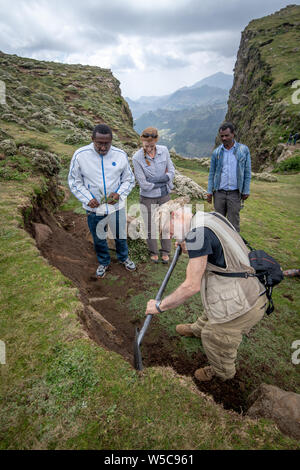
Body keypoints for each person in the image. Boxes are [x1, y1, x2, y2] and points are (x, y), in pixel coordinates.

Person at [145, 205, 267, 382]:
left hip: (246, 302)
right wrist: (187, 241)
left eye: (167, 231)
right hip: (245, 285)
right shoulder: (206, 217)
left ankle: (222, 372)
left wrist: (159, 306)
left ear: (174, 216)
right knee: (212, 307)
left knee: (214, 336)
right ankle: (196, 329)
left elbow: (191, 286)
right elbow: (210, 248)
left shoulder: (197, 235)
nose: (169, 237)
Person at [68, 124, 136, 278]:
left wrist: (118, 194)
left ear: (111, 141)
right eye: (99, 143)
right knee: (99, 237)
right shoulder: (80, 155)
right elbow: (74, 181)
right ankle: (104, 262)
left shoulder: (120, 155)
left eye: (107, 143)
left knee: (120, 235)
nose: (103, 147)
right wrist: (88, 198)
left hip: (116, 207)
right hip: (94, 208)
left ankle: (124, 258)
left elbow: (129, 180)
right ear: (92, 139)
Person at [132, 127, 175, 264]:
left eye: (152, 145)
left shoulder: (164, 151)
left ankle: (166, 251)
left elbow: (172, 172)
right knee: (150, 224)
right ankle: (153, 251)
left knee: (165, 224)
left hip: (164, 194)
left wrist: (155, 180)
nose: (149, 148)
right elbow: (143, 184)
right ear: (142, 141)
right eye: (146, 145)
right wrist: (163, 179)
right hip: (147, 197)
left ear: (156, 141)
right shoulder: (137, 158)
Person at [206, 122, 251, 232]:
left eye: (227, 135)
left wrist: (246, 190)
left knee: (233, 223)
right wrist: (209, 191)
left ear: (233, 134)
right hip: (219, 193)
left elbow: (247, 172)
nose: (224, 138)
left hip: (235, 193)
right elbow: (212, 173)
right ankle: (219, 247)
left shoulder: (243, 150)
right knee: (218, 222)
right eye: (222, 136)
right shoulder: (216, 153)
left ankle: (235, 247)